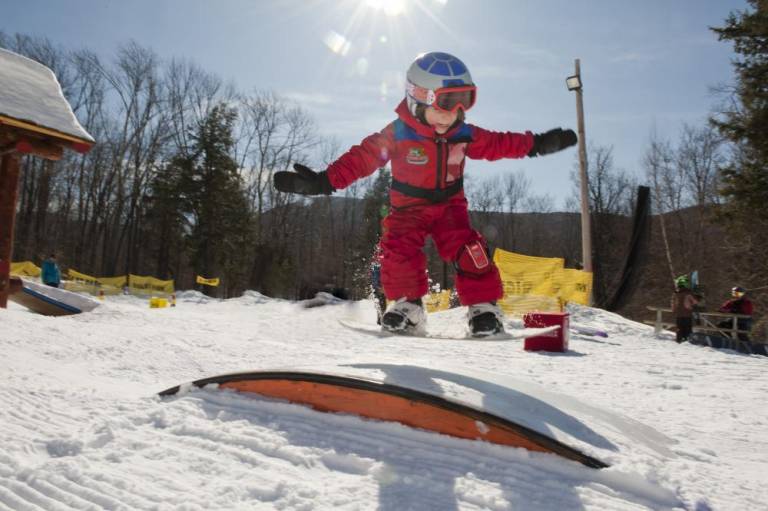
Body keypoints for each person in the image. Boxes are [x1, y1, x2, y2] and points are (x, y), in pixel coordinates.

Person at [274, 52, 577, 336]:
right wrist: (323, 181)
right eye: (447, 103)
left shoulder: (463, 134)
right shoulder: (397, 134)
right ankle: (409, 307)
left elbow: (500, 143)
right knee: (397, 249)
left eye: (465, 102)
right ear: (419, 96)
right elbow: (361, 159)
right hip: (408, 210)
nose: (454, 113)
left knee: (470, 250)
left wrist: (537, 144)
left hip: (450, 209)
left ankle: (484, 310)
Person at [671, 275, 698, 343]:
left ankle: (679, 340)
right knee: (687, 330)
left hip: (678, 315)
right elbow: (695, 302)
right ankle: (687, 341)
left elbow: (673, 305)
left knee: (679, 329)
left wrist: (674, 310)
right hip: (687, 314)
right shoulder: (688, 293)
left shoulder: (675, 294)